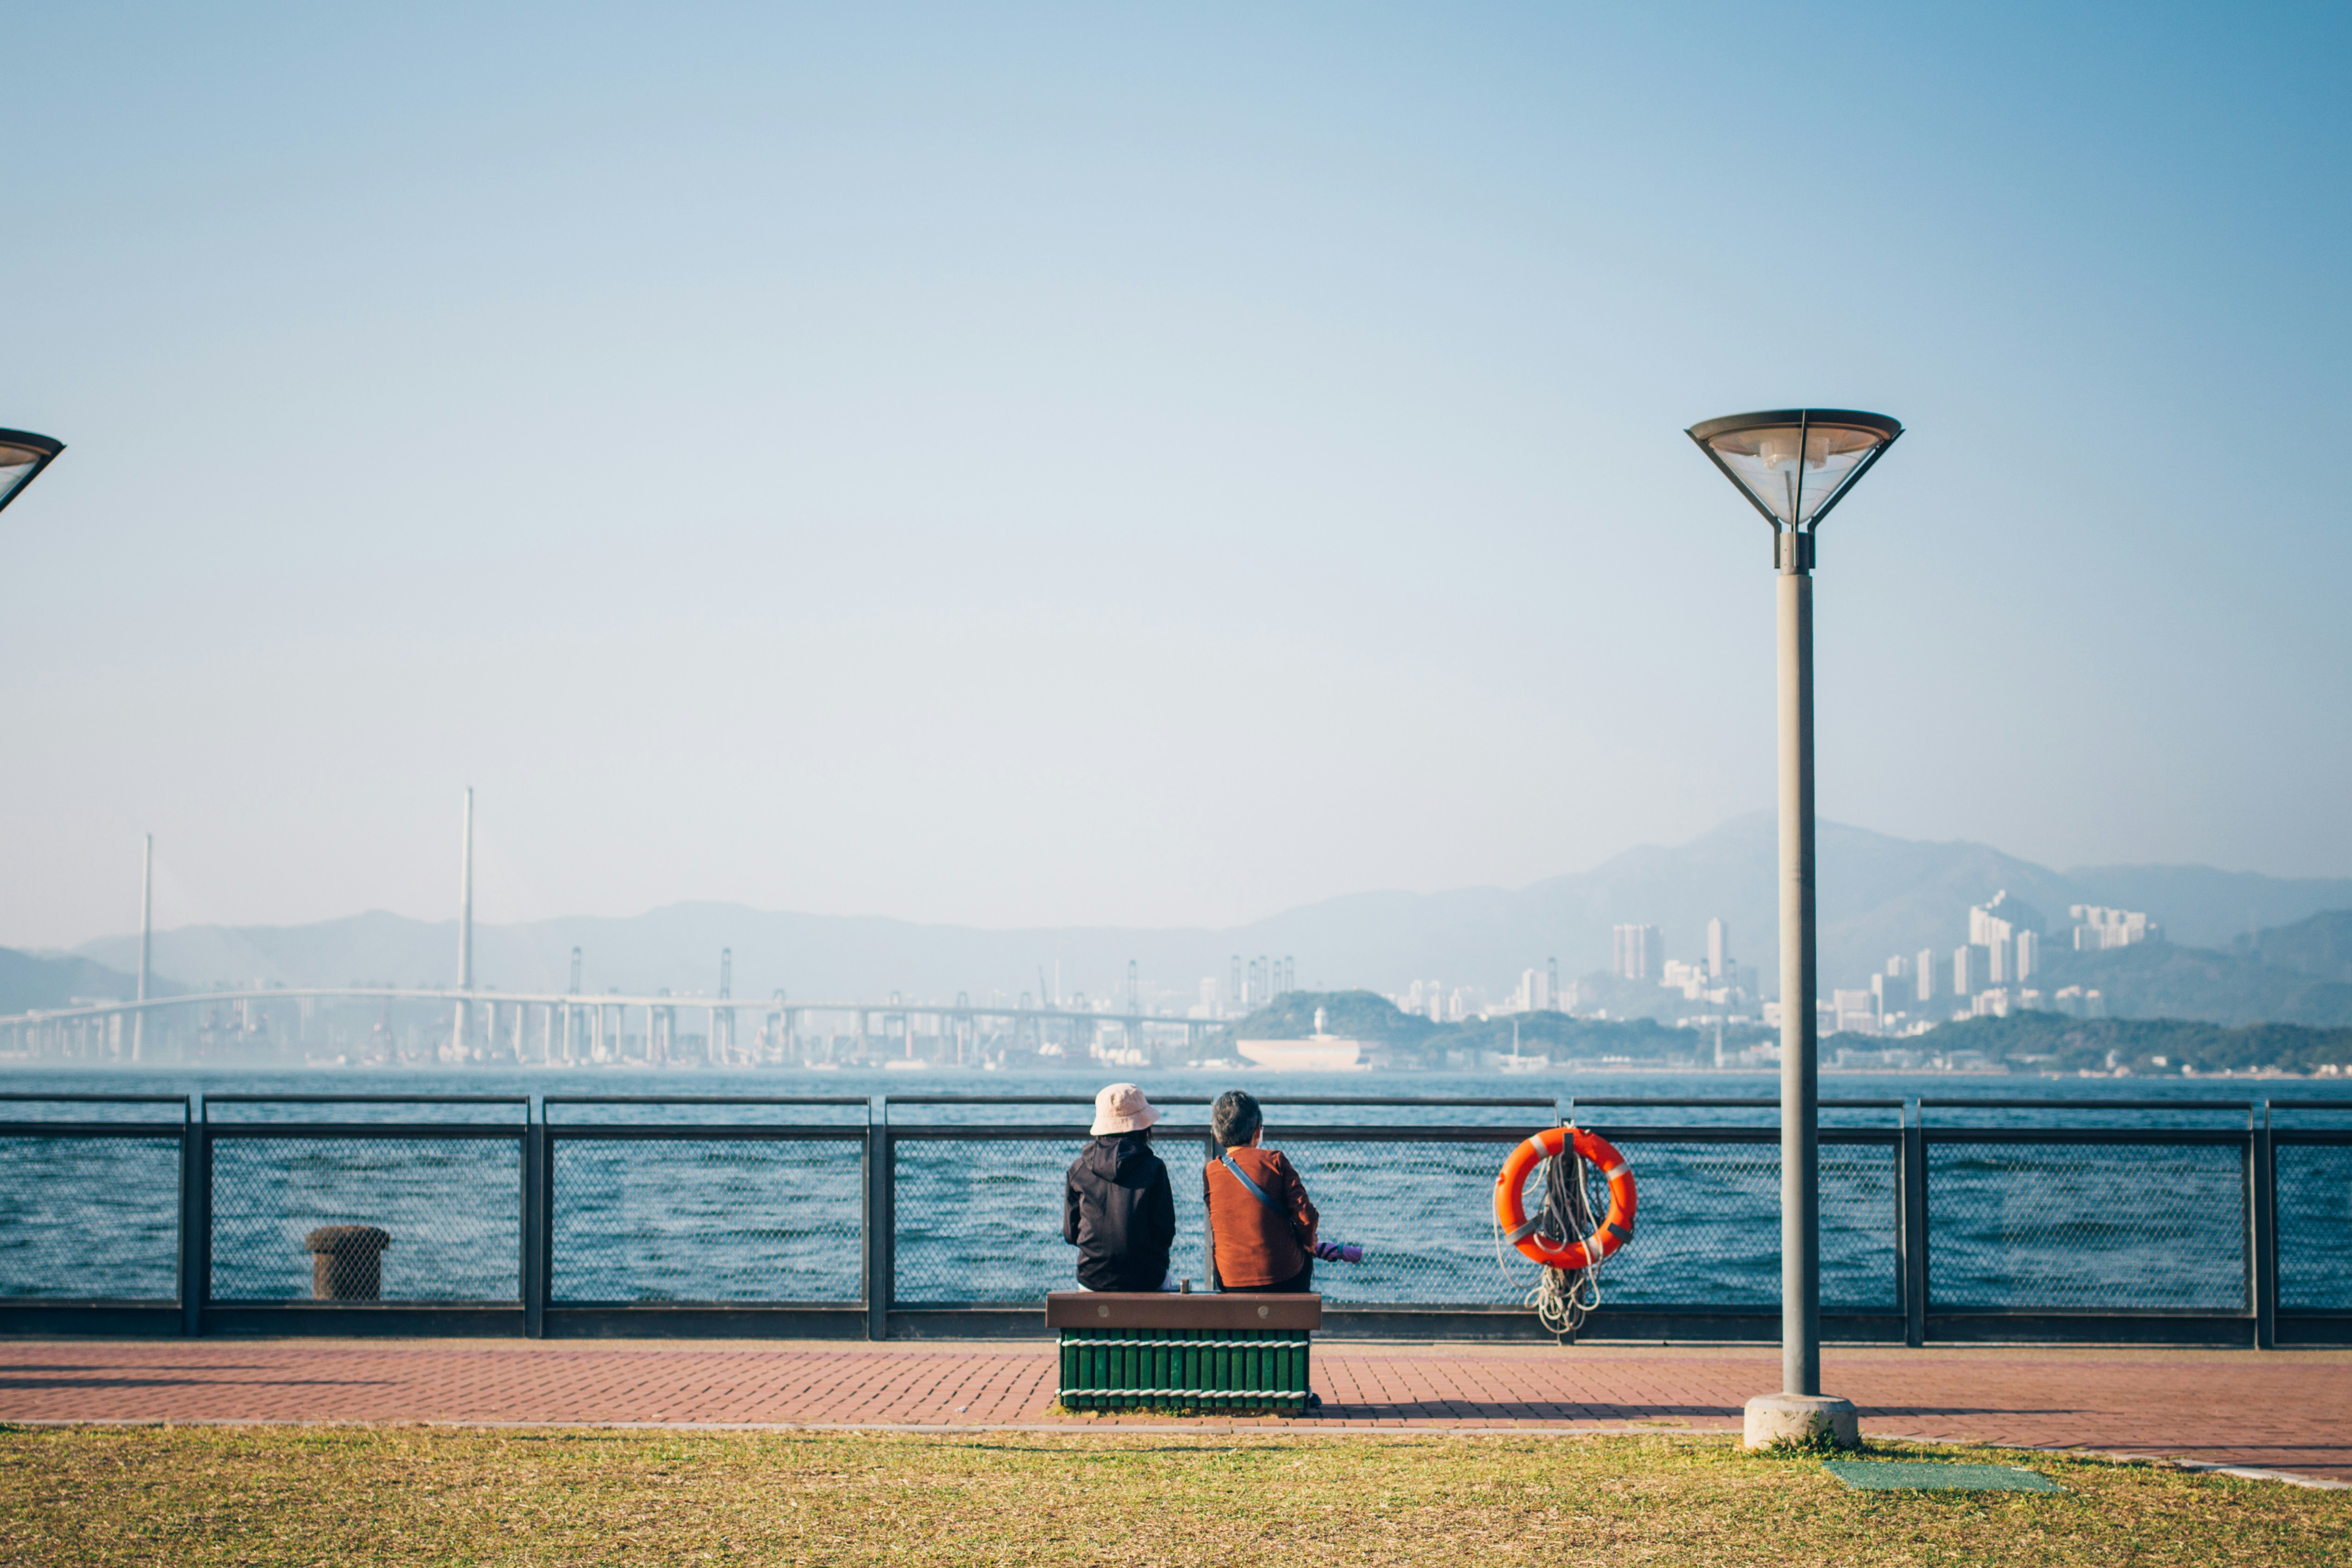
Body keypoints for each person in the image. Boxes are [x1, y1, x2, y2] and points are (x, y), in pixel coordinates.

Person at [1062, 1083, 1177, 1292]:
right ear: (1143, 1126)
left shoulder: (1078, 1169)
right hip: (1148, 1278)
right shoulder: (1154, 1168)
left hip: (1092, 1279)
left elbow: (1070, 1234)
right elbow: (1165, 1233)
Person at [1203, 1089, 1319, 1293]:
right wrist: (1309, 1244)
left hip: (1230, 1281)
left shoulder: (1211, 1171)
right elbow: (1306, 1218)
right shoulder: (1275, 1161)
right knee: (1303, 1261)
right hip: (1285, 1278)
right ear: (1257, 1131)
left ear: (1217, 1136)